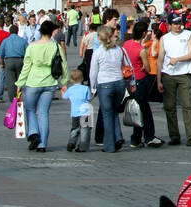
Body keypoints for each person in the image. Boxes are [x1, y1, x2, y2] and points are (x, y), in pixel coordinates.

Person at [16, 19, 69, 151]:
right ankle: (42, 144)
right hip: (50, 82)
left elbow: (26, 67)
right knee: (44, 113)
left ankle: (34, 133)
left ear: (40, 32)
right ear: (52, 32)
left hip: (33, 82)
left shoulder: (32, 46)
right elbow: (64, 65)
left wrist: (20, 83)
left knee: (30, 110)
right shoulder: (55, 46)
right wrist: (64, 82)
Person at [157, 14, 191, 147]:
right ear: (169, 25)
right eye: (175, 23)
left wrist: (178, 59)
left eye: (179, 23)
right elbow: (160, 59)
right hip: (168, 74)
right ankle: (174, 135)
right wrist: (158, 80)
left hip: (184, 73)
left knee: (188, 105)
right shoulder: (164, 38)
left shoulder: (188, 34)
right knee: (169, 107)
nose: (178, 26)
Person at [89, 23, 128, 153]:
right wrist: (131, 82)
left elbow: (93, 71)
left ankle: (110, 145)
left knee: (107, 114)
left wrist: (93, 87)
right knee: (114, 111)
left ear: (100, 38)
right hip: (119, 83)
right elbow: (128, 66)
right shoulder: (119, 49)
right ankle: (118, 136)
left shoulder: (98, 52)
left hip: (105, 84)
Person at [123, 18, 159, 146]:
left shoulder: (126, 44)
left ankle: (136, 138)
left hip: (128, 80)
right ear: (144, 34)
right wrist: (145, 65)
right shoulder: (141, 49)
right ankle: (149, 136)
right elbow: (148, 68)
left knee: (136, 109)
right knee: (145, 110)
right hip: (140, 79)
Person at [64, 69, 94, 152]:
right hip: (85, 112)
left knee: (75, 129)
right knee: (85, 130)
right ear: (82, 79)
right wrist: (93, 96)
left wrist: (63, 91)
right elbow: (88, 99)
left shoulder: (70, 89)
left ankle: (72, 142)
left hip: (75, 113)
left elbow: (65, 97)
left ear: (71, 80)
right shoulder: (85, 88)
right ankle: (82, 147)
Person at [0, 25, 28, 104]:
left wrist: (2, 64)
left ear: (10, 32)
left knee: (10, 82)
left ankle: (12, 99)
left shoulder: (5, 41)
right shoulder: (23, 40)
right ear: (17, 31)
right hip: (20, 60)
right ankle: (18, 96)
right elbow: (27, 53)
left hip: (9, 60)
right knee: (20, 80)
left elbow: (1, 54)